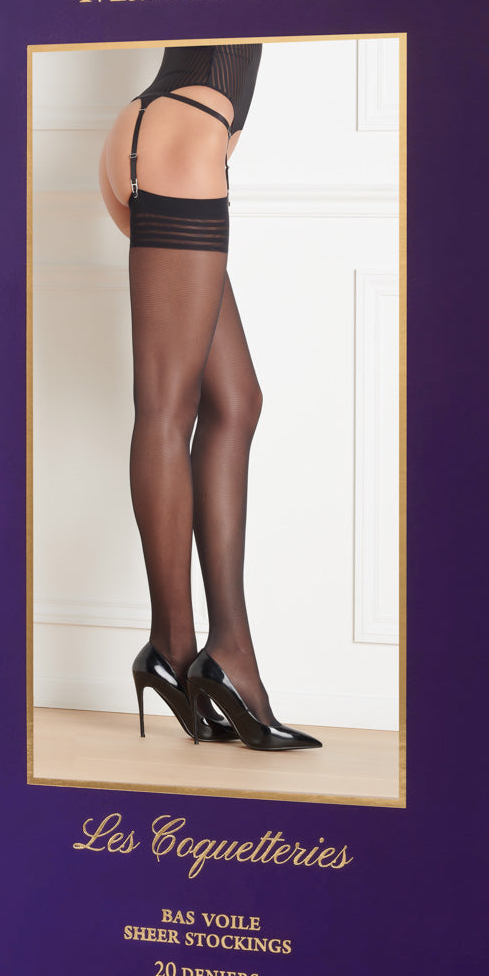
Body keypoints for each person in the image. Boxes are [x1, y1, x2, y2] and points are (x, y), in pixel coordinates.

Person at [97, 43, 320, 753]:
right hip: (184, 136)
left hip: (167, 130)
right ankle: (175, 642)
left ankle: (224, 650)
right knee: (168, 409)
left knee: (236, 401)